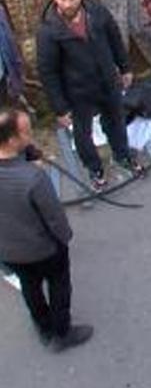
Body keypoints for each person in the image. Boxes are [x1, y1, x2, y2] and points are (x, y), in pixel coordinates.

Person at [37, 0, 143, 191]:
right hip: (77, 92)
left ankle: (122, 156)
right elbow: (48, 72)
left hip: (107, 81)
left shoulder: (97, 12)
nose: (67, 4)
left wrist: (125, 68)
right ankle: (95, 169)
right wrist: (60, 108)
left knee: (115, 121)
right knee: (82, 135)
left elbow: (114, 38)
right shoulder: (48, 31)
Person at [0, 108, 92, 351]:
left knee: (30, 288)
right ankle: (62, 333)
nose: (31, 136)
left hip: (9, 251)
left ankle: (44, 328)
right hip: (43, 249)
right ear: (11, 140)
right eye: (26, 132)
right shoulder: (33, 178)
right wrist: (65, 239)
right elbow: (54, 218)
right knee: (59, 284)